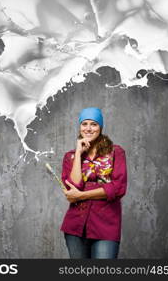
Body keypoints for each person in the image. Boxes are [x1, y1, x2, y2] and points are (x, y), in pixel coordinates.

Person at [60, 107, 127, 259]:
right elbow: (73, 186)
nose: (88, 128)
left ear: (100, 127)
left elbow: (118, 188)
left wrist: (81, 195)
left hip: (106, 224)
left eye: (94, 124)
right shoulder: (70, 157)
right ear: (79, 127)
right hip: (75, 226)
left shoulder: (116, 152)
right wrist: (78, 153)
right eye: (84, 124)